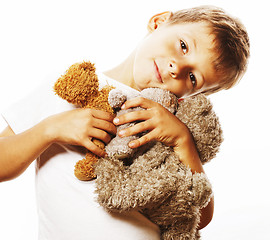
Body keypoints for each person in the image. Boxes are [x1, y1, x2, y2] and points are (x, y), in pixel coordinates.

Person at [0, 5, 249, 240]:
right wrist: (50, 129)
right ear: (159, 22)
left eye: (193, 77)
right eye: (183, 46)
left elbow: (198, 217)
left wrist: (182, 140)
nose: (177, 68)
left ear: (192, 96)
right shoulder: (70, 86)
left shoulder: (171, 126)